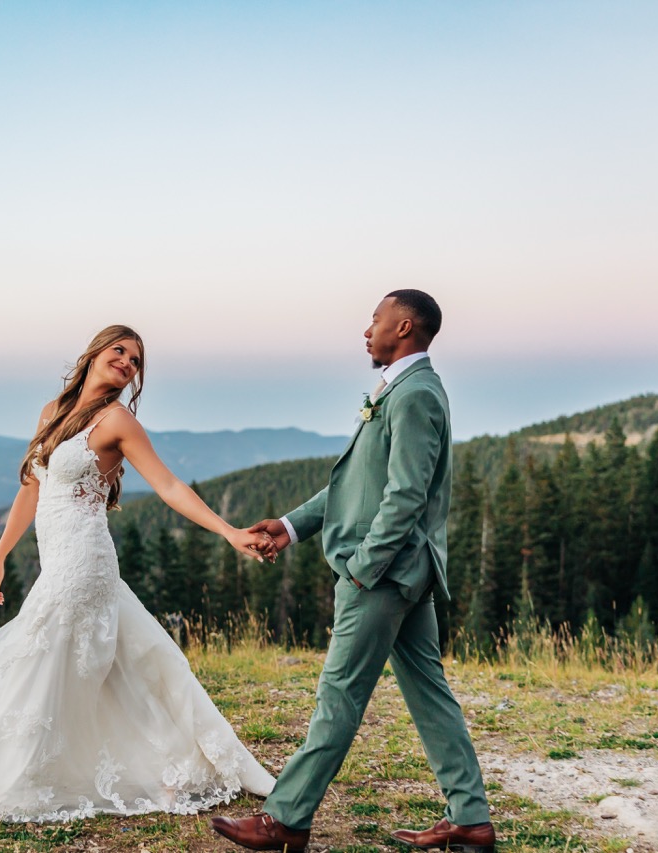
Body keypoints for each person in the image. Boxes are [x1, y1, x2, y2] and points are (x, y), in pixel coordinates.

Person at [0, 324, 275, 823]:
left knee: (42, 656)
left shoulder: (118, 421)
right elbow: (31, 488)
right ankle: (169, 766)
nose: (128, 363)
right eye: (120, 351)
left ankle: (15, 779)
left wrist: (228, 531)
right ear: (94, 353)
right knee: (109, 666)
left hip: (85, 561)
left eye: (136, 362)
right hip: (57, 557)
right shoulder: (53, 412)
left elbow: (169, 485)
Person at [210, 291, 495, 852]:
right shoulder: (405, 388)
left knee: (338, 695)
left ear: (404, 326)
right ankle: (470, 817)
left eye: (376, 319)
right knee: (430, 692)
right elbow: (356, 486)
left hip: (385, 576)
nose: (367, 330)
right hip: (407, 572)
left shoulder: (414, 396)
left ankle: (286, 818)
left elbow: (406, 495)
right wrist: (289, 527)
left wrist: (364, 568)